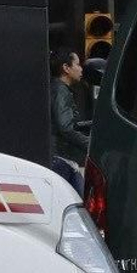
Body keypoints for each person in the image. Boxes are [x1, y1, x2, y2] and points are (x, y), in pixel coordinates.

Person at [49, 46, 91, 192]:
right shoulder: (61, 91)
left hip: (61, 158)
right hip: (61, 159)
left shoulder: (55, 88)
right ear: (66, 68)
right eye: (78, 64)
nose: (81, 69)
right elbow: (66, 127)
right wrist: (90, 144)